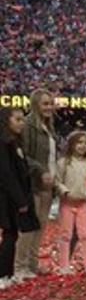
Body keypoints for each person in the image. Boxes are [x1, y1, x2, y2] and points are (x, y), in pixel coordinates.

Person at [16, 89, 57, 278]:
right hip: (33, 183)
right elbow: (23, 155)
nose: (49, 107)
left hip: (48, 185)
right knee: (29, 227)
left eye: (51, 103)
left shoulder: (49, 126)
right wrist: (40, 170)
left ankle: (32, 265)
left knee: (40, 227)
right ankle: (20, 267)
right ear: (35, 105)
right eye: (45, 104)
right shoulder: (28, 126)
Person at [0, 108, 38, 288]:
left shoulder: (15, 142)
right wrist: (20, 199)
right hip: (7, 197)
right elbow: (6, 174)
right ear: (7, 120)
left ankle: (8, 273)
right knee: (10, 234)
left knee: (13, 234)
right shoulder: (4, 143)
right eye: (17, 119)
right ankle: (3, 275)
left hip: (14, 195)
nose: (21, 123)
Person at [55, 130, 86, 275]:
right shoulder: (63, 163)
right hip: (67, 203)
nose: (83, 146)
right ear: (72, 144)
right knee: (65, 234)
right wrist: (66, 192)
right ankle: (64, 266)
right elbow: (57, 181)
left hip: (84, 203)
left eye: (85, 143)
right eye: (79, 142)